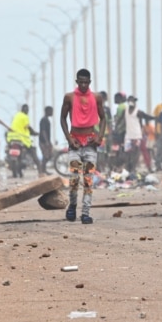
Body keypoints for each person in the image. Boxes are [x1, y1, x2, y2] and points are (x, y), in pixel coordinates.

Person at [60, 69, 106, 224]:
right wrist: (69, 138)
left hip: (90, 143)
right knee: (74, 178)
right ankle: (72, 206)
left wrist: (100, 137)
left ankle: (85, 212)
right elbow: (62, 118)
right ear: (77, 82)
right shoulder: (70, 97)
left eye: (86, 82)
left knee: (88, 180)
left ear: (90, 82)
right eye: (81, 82)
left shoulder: (96, 97)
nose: (84, 85)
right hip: (75, 143)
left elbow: (103, 118)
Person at [6, 104, 44, 176]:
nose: (27, 111)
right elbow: (28, 127)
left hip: (11, 138)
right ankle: (40, 171)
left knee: (14, 154)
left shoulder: (17, 115)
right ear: (25, 110)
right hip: (22, 139)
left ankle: (17, 172)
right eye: (27, 109)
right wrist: (35, 133)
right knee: (33, 153)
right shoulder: (25, 116)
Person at [124, 96, 153, 173]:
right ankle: (129, 168)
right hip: (128, 135)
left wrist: (155, 118)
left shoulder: (138, 111)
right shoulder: (126, 110)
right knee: (129, 153)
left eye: (132, 101)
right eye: (130, 100)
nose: (131, 102)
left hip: (137, 135)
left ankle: (145, 167)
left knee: (138, 152)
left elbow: (146, 116)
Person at [39, 106, 53, 174]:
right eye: (51, 111)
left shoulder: (46, 119)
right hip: (43, 141)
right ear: (47, 111)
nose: (52, 112)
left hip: (46, 141)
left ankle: (43, 170)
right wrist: (47, 141)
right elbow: (43, 131)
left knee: (49, 155)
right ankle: (42, 171)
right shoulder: (44, 120)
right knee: (46, 156)